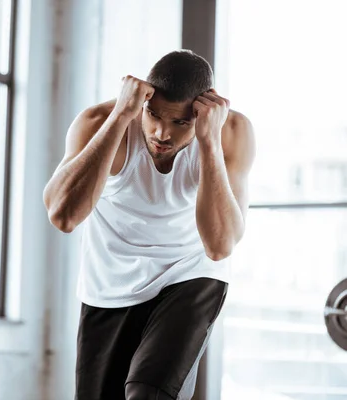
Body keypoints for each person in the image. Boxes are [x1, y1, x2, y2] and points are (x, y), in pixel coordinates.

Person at [43, 50, 255, 400]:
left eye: (180, 122)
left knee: (148, 393)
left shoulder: (230, 132)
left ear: (202, 114)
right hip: (108, 284)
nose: (161, 132)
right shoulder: (100, 120)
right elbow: (63, 216)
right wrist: (122, 115)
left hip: (188, 276)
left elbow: (219, 245)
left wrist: (207, 140)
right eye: (153, 115)